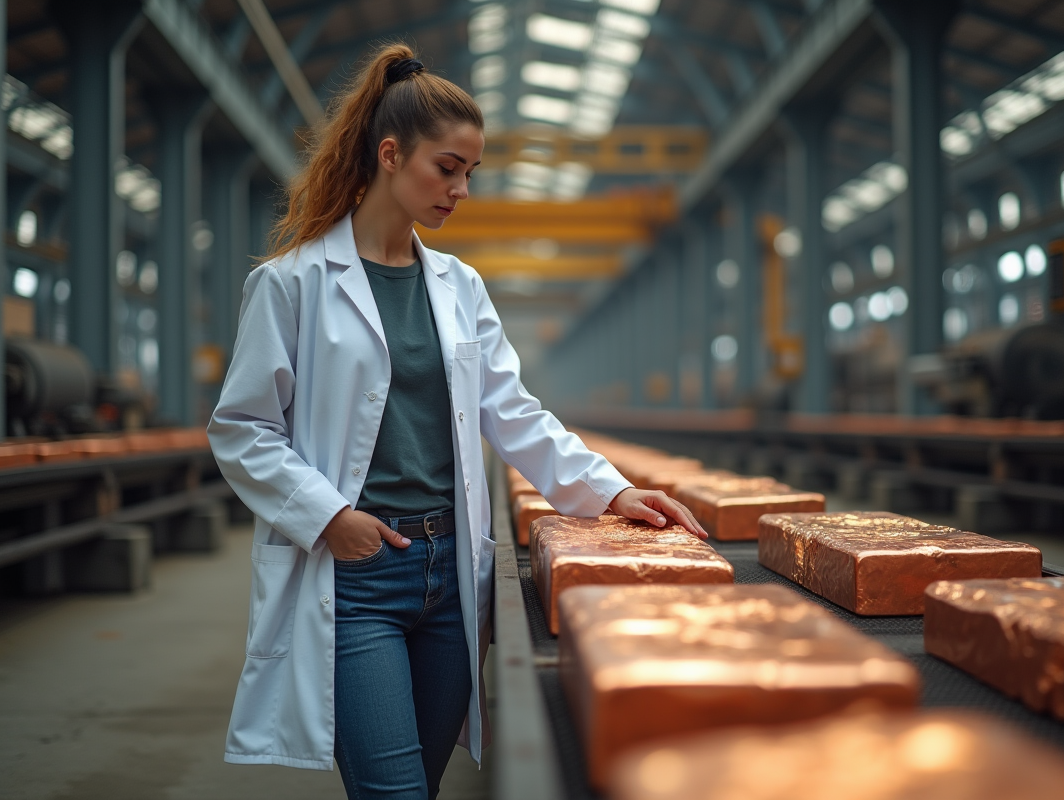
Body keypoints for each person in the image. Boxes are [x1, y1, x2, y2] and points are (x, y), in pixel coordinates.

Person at [207, 42, 707, 800]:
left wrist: (610, 493)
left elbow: (510, 408)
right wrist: (330, 516)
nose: (462, 190)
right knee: (396, 792)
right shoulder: (291, 285)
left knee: (424, 787)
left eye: (471, 173)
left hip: (450, 572)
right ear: (388, 154)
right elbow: (242, 429)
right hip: (358, 573)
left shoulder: (459, 287)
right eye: (448, 168)